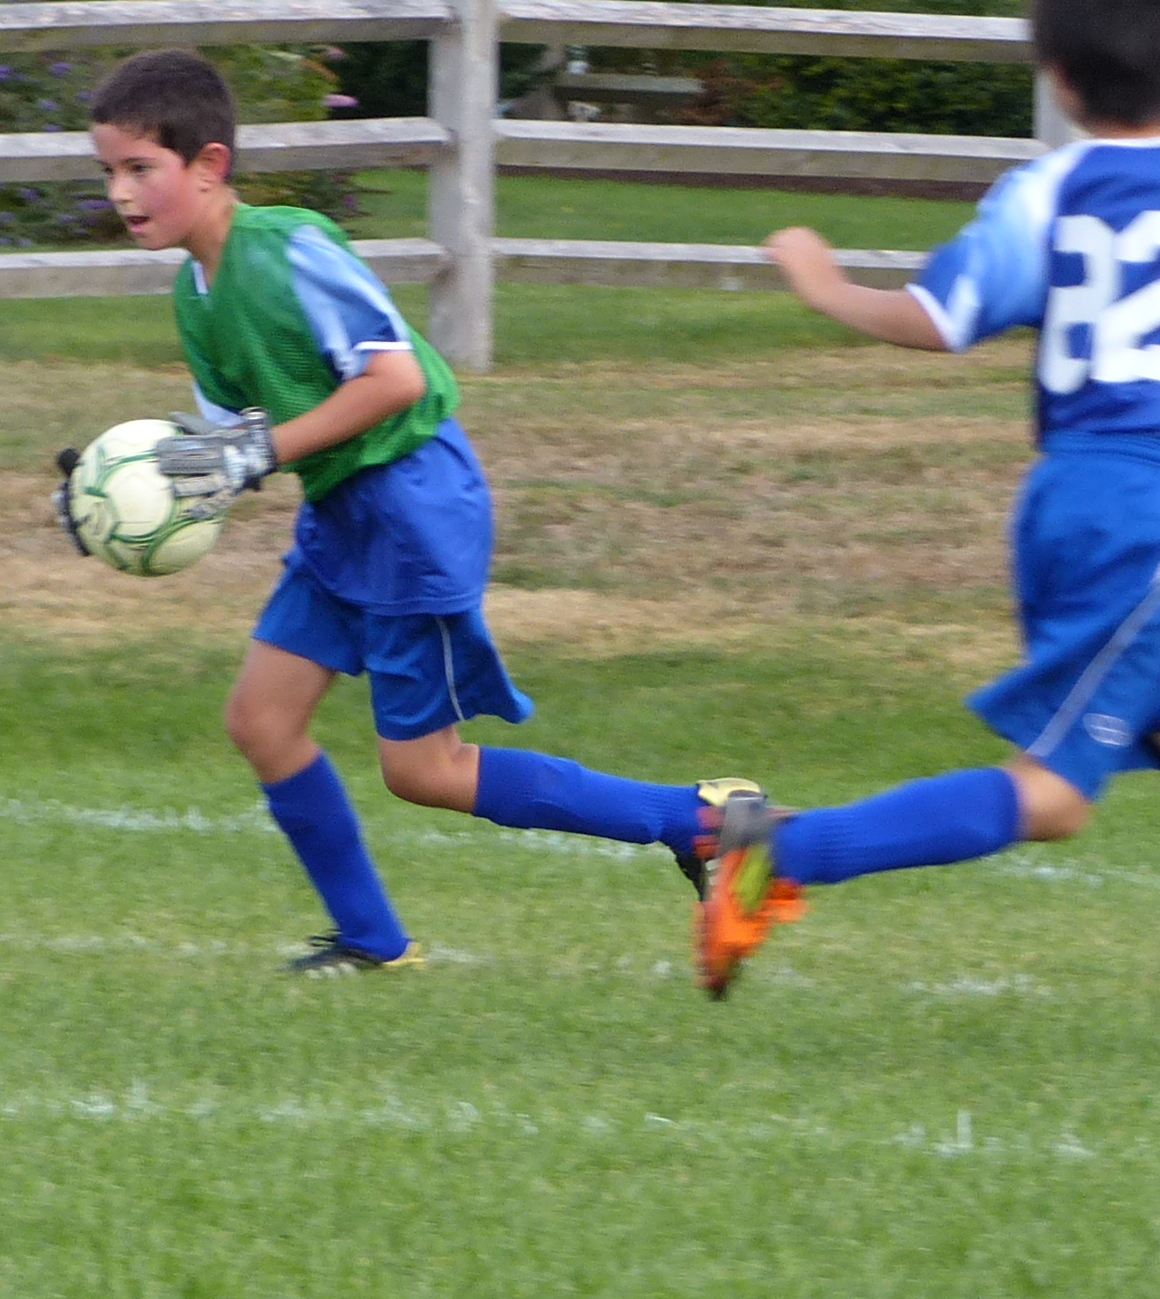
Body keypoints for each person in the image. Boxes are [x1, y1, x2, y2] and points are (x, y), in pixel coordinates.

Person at [697, 0, 1160, 1069]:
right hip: (1150, 513)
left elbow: (942, 317)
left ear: (1059, 79)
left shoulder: (1045, 189)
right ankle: (781, 850)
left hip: (1068, 498)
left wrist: (827, 286)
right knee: (1057, 797)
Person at [77, 48, 758, 973]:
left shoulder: (291, 250)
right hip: (339, 514)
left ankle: (703, 820)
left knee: (423, 770)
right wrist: (117, 492)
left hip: (409, 505)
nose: (120, 192)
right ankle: (373, 943)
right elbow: (233, 445)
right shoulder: (194, 296)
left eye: (139, 168)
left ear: (209, 165)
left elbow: (392, 380)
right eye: (108, 171)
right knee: (262, 721)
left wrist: (256, 452)